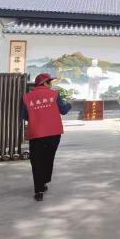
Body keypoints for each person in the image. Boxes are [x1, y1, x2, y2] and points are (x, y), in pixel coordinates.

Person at [21, 73, 72, 201]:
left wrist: (36, 116)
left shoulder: (26, 97)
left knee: (36, 161)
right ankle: (44, 181)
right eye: (49, 82)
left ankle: (38, 190)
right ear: (44, 83)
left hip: (36, 133)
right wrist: (69, 104)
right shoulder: (54, 95)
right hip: (53, 133)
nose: (50, 84)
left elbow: (24, 116)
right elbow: (64, 110)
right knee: (48, 158)